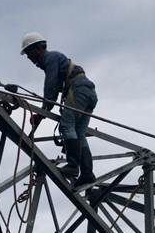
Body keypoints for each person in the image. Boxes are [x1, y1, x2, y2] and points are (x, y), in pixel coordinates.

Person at [21, 32, 98, 186]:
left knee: (66, 126)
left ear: (37, 49)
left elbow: (50, 88)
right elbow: (55, 89)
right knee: (79, 133)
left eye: (29, 54)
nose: (30, 59)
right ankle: (87, 174)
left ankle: (73, 166)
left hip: (79, 90)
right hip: (89, 93)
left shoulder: (51, 59)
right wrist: (43, 112)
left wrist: (41, 113)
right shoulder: (55, 60)